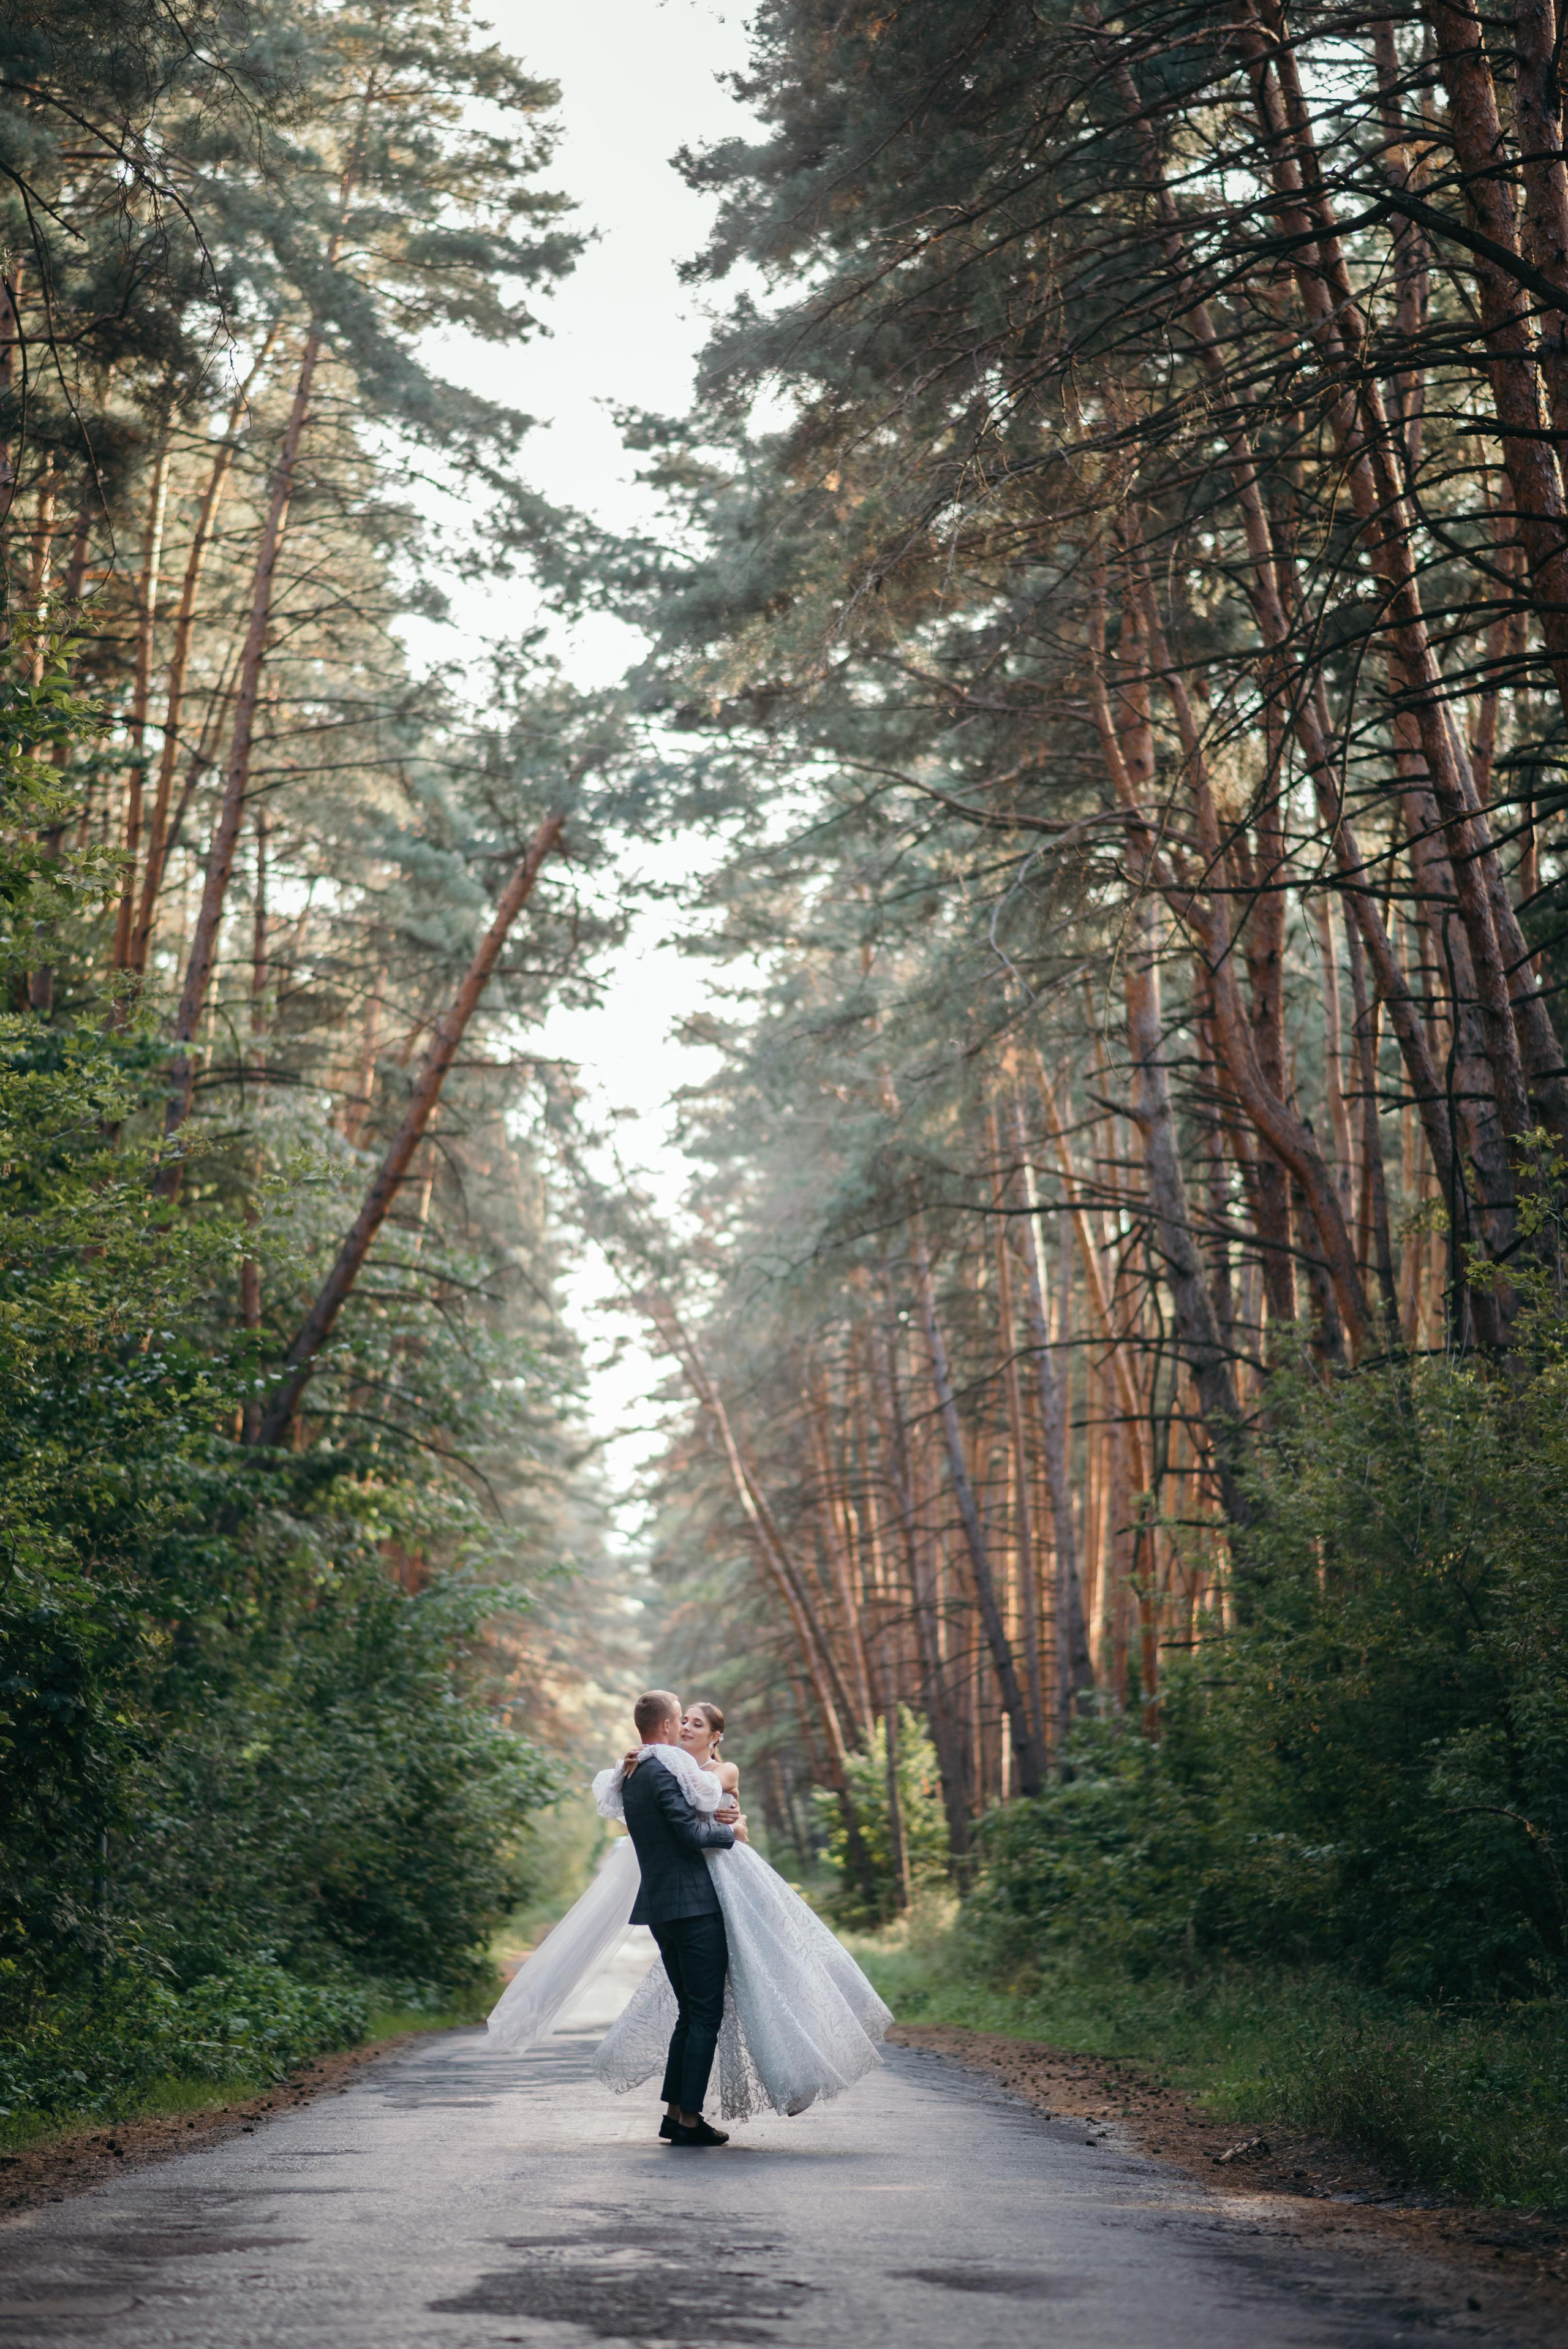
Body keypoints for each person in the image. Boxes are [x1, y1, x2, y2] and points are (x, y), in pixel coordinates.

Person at [486, 1687, 891, 2139]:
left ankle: (674, 2112)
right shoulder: (661, 1770)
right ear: (665, 1725)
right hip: (693, 1906)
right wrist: (732, 1831)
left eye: (693, 1723)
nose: (683, 1727)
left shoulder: (634, 1771)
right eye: (680, 1719)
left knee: (689, 2013)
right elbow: (686, 1831)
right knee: (704, 2015)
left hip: (664, 1907)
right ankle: (689, 2121)